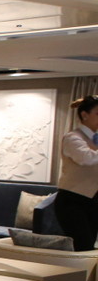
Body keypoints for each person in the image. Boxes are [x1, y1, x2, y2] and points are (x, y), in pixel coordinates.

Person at [54, 95, 98, 251]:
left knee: (90, 247)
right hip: (72, 201)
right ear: (84, 115)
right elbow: (85, 158)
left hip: (93, 200)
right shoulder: (72, 138)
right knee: (82, 245)